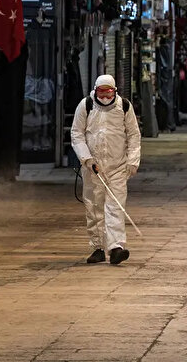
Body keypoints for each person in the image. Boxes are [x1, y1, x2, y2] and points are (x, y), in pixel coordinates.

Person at [71, 74, 142, 265]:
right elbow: (77, 134)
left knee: (115, 206)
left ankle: (116, 247)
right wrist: (87, 158)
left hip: (117, 167)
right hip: (93, 167)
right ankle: (97, 247)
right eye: (101, 92)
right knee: (94, 207)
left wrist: (132, 161)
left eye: (108, 92)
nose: (104, 96)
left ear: (115, 91)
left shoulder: (124, 107)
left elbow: (134, 135)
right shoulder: (85, 106)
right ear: (95, 90)